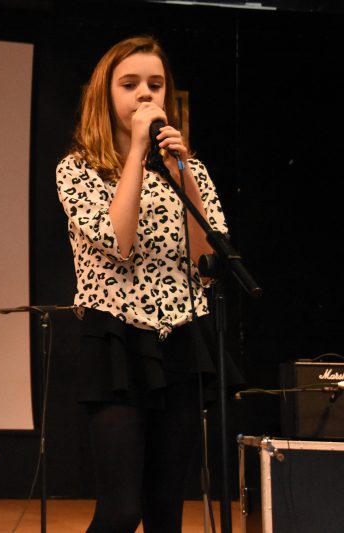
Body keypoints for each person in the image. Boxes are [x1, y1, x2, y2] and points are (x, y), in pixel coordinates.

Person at [55, 36, 234, 532]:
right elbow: (117, 241)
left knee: (166, 509)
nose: (144, 95)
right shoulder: (78, 169)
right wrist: (136, 151)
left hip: (181, 338)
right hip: (117, 337)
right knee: (121, 510)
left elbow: (207, 259)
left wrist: (183, 172)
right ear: (105, 93)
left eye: (155, 85)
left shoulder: (189, 169)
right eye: (130, 84)